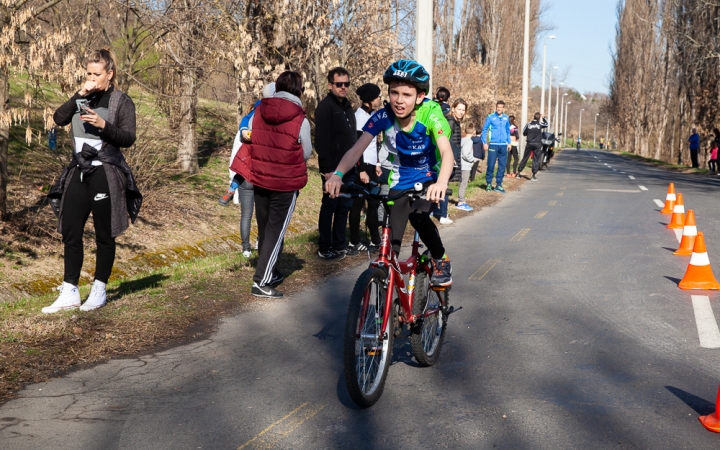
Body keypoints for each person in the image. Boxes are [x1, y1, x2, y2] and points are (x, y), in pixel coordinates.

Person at [325, 59, 454, 288]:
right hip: (399, 179)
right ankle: (389, 310)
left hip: (427, 176)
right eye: (394, 93)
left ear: (420, 97)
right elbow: (356, 149)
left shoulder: (431, 113)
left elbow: (446, 153)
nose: (399, 100)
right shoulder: (384, 116)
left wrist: (441, 183)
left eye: (406, 94)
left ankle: (440, 258)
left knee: (418, 216)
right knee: (390, 250)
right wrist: (337, 174)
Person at [44, 49, 140, 313]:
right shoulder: (82, 97)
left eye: (97, 74)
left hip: (106, 171)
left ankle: (99, 289)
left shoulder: (121, 100)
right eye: (88, 73)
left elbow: (129, 138)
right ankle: (70, 291)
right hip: (79, 168)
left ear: (110, 74)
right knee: (70, 230)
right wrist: (79, 94)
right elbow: (59, 118)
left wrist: (103, 125)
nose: (92, 78)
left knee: (104, 234)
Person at [229, 71, 312, 298]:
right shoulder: (300, 118)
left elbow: (253, 140)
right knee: (276, 231)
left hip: (260, 178)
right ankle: (261, 281)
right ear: (298, 90)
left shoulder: (258, 112)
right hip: (285, 182)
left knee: (265, 228)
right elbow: (306, 152)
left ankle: (270, 272)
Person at [219, 83, 276, 257]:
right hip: (261, 174)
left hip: (244, 175)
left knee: (246, 215)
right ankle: (260, 241)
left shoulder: (249, 120)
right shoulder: (272, 117)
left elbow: (236, 154)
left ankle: (245, 248)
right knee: (262, 213)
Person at [315, 67, 357, 260]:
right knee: (330, 206)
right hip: (333, 168)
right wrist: (327, 170)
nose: (343, 88)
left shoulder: (348, 107)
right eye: (339, 84)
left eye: (346, 84)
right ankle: (324, 246)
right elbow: (321, 141)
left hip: (349, 168)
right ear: (330, 85)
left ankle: (340, 243)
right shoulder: (325, 107)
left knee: (344, 207)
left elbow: (353, 139)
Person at [218, 82, 275, 208]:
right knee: (246, 166)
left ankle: (232, 189)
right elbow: (246, 119)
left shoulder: (266, 106)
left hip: (259, 146)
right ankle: (232, 190)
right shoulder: (262, 105)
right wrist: (244, 130)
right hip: (259, 145)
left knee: (244, 166)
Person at [348, 83, 383, 254]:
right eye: (377, 97)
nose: (379, 100)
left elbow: (374, 143)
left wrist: (377, 163)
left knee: (374, 203)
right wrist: (361, 169)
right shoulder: (359, 117)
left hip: (372, 164)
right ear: (369, 100)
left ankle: (376, 240)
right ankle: (354, 240)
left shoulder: (374, 115)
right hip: (361, 166)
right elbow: (357, 146)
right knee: (358, 203)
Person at [481, 101, 511, 193]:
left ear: (503, 108)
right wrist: (484, 142)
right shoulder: (490, 117)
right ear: (496, 107)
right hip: (493, 144)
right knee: (491, 165)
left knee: (502, 166)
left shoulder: (506, 118)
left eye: (501, 107)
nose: (499, 109)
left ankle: (499, 184)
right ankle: (489, 183)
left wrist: (509, 142)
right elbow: (484, 130)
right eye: (498, 107)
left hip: (503, 145)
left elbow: (507, 131)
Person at [516, 112, 548, 181]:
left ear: (533, 117)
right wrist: (544, 117)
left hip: (529, 143)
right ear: (539, 118)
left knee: (525, 157)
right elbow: (547, 124)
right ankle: (533, 175)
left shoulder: (528, 124)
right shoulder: (540, 124)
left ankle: (519, 172)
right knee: (536, 159)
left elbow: (524, 133)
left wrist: (529, 134)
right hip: (537, 143)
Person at [457, 122, 476, 211]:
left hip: (461, 164)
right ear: (474, 131)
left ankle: (461, 200)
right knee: (464, 183)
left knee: (462, 183)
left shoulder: (462, 139)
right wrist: (472, 159)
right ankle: (461, 202)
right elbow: (465, 153)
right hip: (465, 165)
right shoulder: (469, 141)